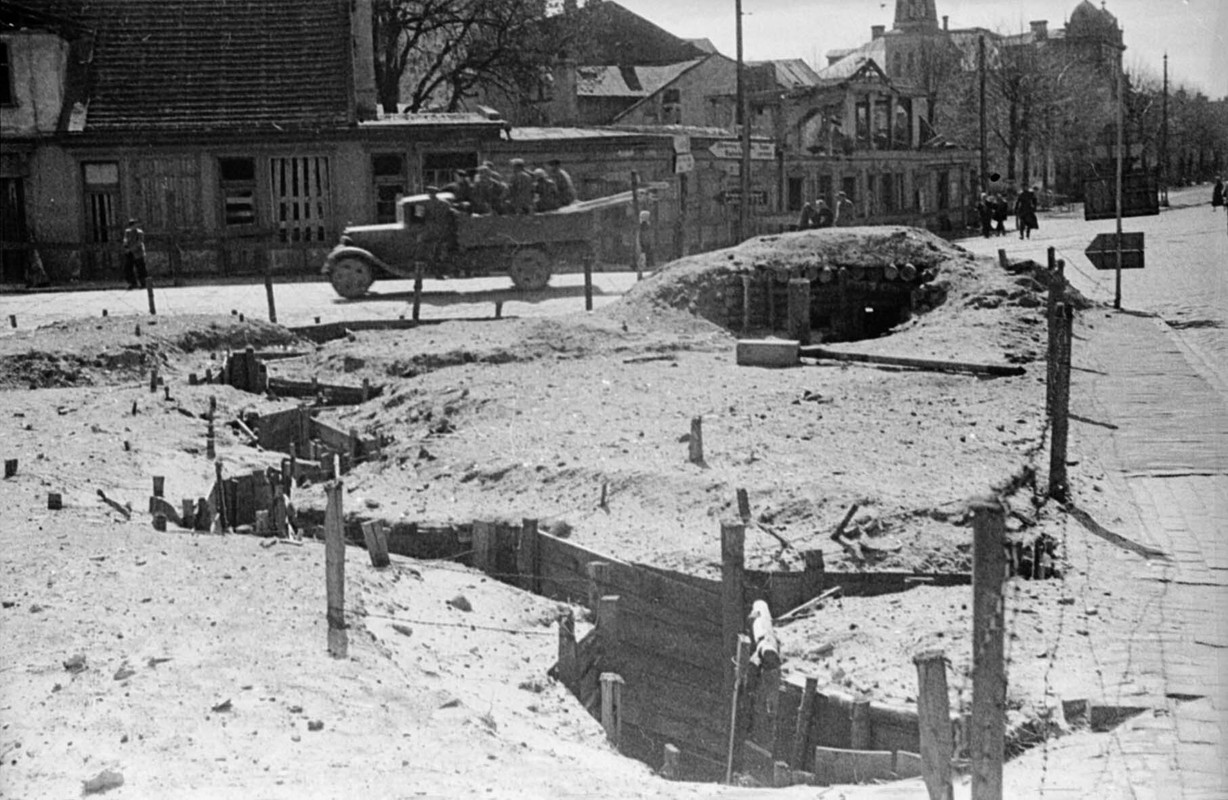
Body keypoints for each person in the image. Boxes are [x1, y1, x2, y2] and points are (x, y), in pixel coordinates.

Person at [122, 218, 147, 289]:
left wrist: (131, 249)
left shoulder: (139, 232)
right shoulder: (127, 232)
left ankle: (143, 283)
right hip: (130, 253)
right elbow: (125, 240)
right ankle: (132, 283)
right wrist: (125, 246)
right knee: (128, 268)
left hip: (138, 253)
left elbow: (139, 242)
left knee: (141, 268)